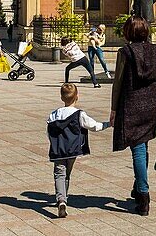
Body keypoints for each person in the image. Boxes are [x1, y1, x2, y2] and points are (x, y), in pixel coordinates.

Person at [110, 16, 156, 217]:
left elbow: (118, 83)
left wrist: (113, 110)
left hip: (132, 105)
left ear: (128, 32)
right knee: (142, 146)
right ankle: (138, 188)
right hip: (152, 105)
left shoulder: (125, 52)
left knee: (137, 149)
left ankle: (144, 196)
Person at [47, 83, 108, 218]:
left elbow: (49, 131)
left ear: (61, 97)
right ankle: (64, 198)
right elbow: (94, 126)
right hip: (73, 149)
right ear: (77, 97)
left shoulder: (53, 115)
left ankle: (61, 200)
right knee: (66, 173)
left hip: (57, 150)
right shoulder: (79, 114)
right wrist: (109, 124)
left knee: (59, 174)